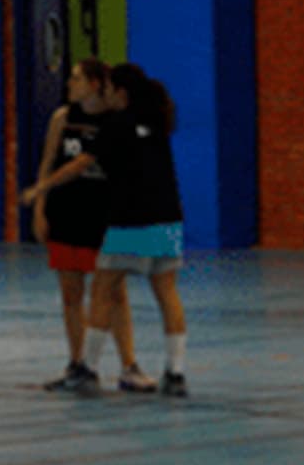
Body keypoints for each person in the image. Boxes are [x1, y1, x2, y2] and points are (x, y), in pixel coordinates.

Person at [29, 63, 190, 396]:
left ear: (120, 93)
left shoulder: (118, 124)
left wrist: (41, 188)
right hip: (169, 221)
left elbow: (79, 164)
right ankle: (175, 373)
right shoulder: (157, 121)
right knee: (168, 295)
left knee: (102, 292)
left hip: (131, 221)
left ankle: (88, 368)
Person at [19, 60, 118, 392]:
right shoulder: (62, 118)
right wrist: (40, 209)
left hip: (102, 214)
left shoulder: (113, 120)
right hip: (66, 213)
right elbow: (48, 164)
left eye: (76, 78)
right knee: (71, 294)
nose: (69, 84)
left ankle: (124, 364)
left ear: (94, 83)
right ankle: (77, 363)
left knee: (112, 293)